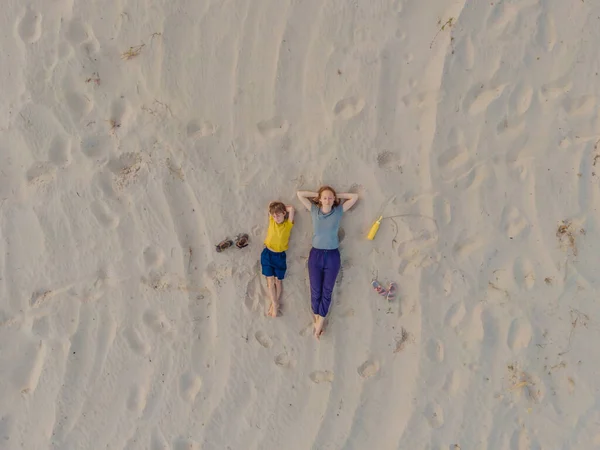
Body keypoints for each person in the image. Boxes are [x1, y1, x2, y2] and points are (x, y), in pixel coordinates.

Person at [297, 186, 358, 339]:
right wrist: (317, 195)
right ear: (320, 199)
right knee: (315, 289)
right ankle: (317, 319)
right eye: (325, 198)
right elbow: (300, 194)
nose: (328, 200)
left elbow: (354, 197)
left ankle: (319, 323)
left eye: (330, 198)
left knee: (327, 290)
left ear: (334, 200)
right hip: (316, 254)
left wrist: (337, 195)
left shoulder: (338, 212)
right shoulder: (314, 211)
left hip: (332, 256)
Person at [261, 201, 295, 317]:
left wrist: (281, 208)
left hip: (279, 256)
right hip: (267, 253)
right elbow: (269, 205)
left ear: (284, 213)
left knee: (278, 281)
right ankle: (275, 304)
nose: (276, 218)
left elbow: (292, 209)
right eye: (274, 216)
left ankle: (274, 303)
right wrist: (275, 209)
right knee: (270, 281)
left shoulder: (288, 224)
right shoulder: (272, 221)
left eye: (278, 215)